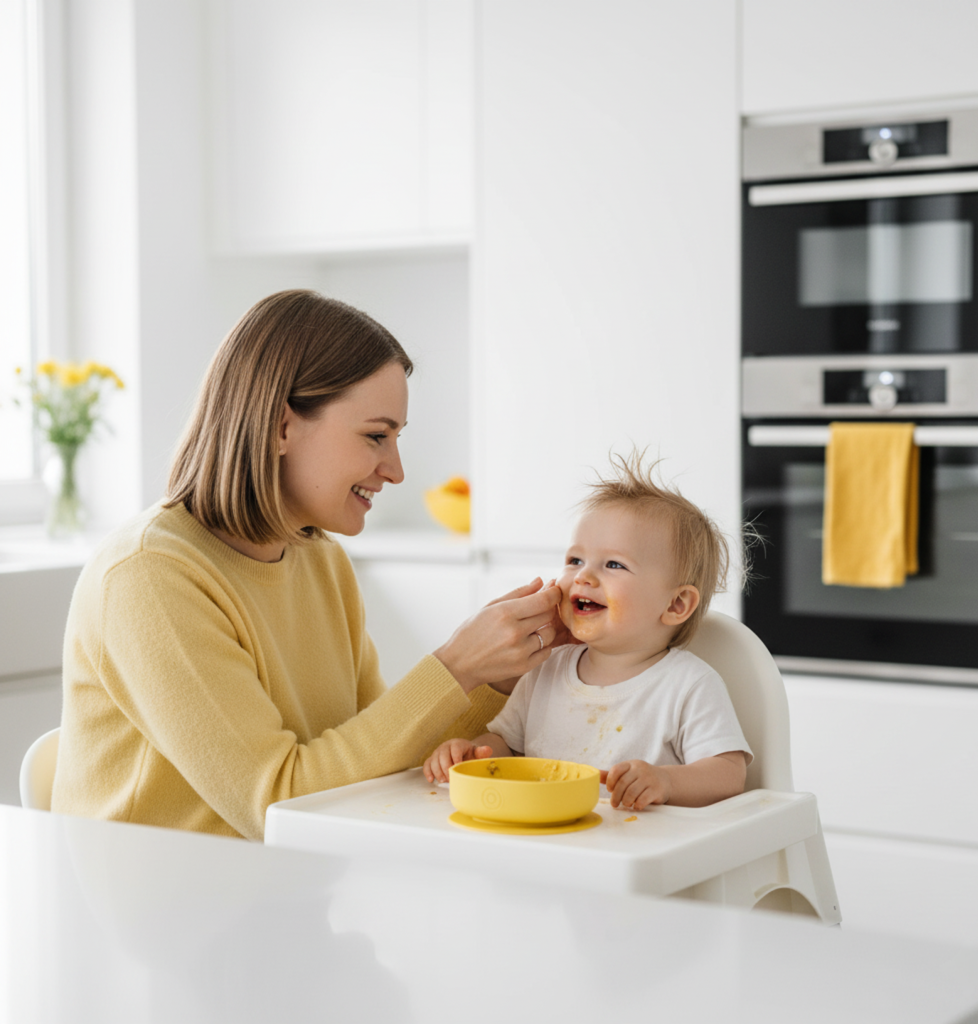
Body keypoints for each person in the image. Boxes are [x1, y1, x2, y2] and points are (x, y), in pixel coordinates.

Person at [51, 289, 564, 840]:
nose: (394, 469)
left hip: (283, 896)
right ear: (280, 426)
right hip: (161, 913)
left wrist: (496, 677)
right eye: (375, 436)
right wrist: (456, 665)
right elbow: (274, 803)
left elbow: (381, 758)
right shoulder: (148, 577)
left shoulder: (320, 560)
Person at [423, 453, 752, 811]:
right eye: (575, 560)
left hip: (635, 852)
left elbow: (729, 773)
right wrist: (473, 754)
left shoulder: (688, 684)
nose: (583, 576)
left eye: (613, 564)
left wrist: (666, 781)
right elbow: (507, 744)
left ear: (675, 605)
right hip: (552, 842)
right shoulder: (546, 669)